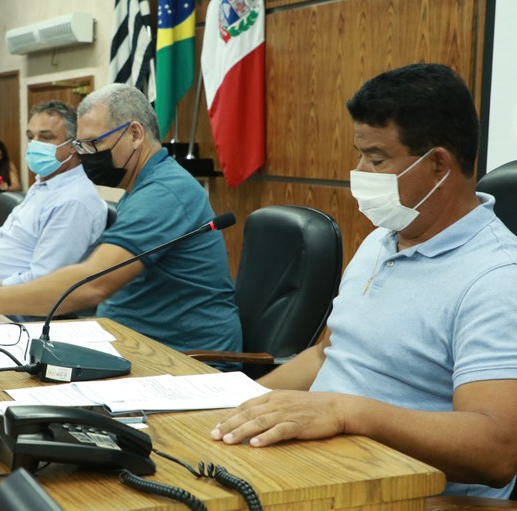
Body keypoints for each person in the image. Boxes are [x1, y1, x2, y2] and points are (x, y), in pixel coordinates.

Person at [211, 64, 517, 499]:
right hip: (320, 470)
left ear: (438, 165)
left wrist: (347, 412)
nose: (360, 172)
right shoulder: (382, 239)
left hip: (406, 496)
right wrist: (234, 407)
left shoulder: (496, 277)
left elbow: (496, 450)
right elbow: (326, 355)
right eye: (360, 155)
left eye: (376, 159)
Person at [0, 84, 242, 359]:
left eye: (94, 144)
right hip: (129, 344)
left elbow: (93, 283)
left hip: (182, 360)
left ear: (135, 134)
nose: (85, 155)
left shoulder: (164, 193)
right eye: (81, 145)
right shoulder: (141, 188)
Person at [0, 100, 106, 288]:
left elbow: (42, 282)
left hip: (1, 303)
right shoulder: (44, 184)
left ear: (73, 145)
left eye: (45, 138)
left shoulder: (74, 201)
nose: (34, 144)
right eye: (31, 137)